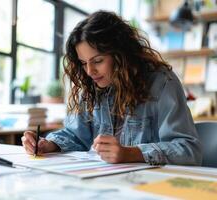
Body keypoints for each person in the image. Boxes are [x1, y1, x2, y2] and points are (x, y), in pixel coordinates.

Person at [21, 11, 202, 165]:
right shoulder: (92, 85)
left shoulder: (161, 82)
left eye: (98, 61)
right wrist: (49, 144)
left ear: (121, 55)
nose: (90, 71)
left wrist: (132, 153)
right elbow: (76, 134)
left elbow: (188, 150)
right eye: (84, 63)